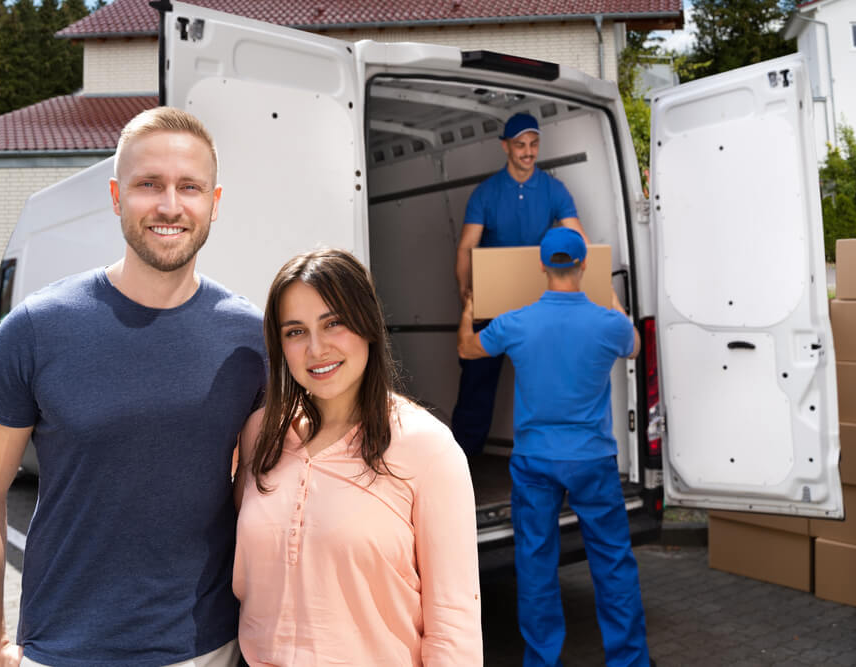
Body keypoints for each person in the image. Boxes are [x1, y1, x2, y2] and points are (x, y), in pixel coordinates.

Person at [0, 107, 266, 667]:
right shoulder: (35, 328)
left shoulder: (250, 338)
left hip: (210, 648)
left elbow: (263, 490)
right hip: (64, 649)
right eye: (149, 184)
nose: (170, 205)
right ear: (117, 197)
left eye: (189, 187)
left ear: (214, 203)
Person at [233, 248, 483, 666]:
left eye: (334, 323)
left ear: (367, 324)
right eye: (295, 331)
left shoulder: (428, 448)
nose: (316, 348)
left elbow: (454, 627)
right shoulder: (261, 433)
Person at [457, 226, 650, 667]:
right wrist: (612, 299)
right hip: (592, 460)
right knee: (613, 563)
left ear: (543, 266)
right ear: (583, 265)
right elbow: (635, 346)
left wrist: (469, 308)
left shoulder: (517, 322)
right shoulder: (607, 324)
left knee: (536, 564)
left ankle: (542, 661)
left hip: (535, 462)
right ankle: (629, 660)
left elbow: (468, 350)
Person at [452, 111, 587, 457]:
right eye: (520, 144)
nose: (528, 151)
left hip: (538, 304)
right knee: (476, 388)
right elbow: (467, 246)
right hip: (492, 304)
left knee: (546, 386)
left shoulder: (554, 190)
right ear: (505, 147)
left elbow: (578, 239)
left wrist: (585, 282)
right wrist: (465, 292)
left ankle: (554, 460)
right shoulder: (486, 193)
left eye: (533, 144)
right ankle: (462, 466)